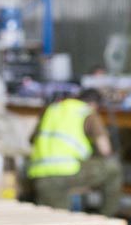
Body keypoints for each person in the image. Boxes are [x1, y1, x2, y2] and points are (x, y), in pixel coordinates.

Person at [28, 88, 123, 216]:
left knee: (55, 219)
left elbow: (32, 140)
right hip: (66, 173)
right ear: (94, 104)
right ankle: (106, 220)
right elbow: (105, 149)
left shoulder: (52, 109)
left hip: (39, 175)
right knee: (113, 169)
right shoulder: (86, 112)